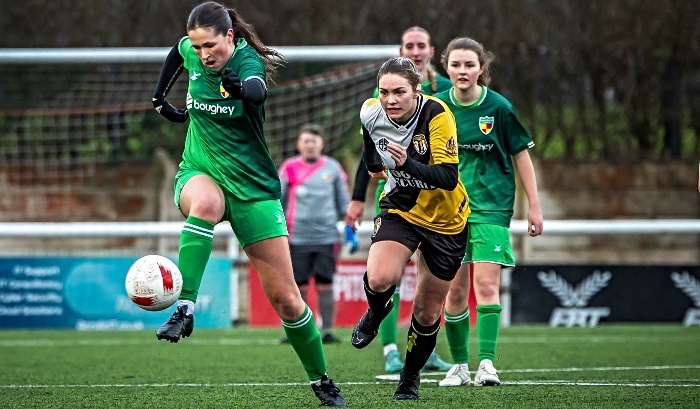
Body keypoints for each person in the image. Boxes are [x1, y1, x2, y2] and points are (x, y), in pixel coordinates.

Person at [149, 2, 345, 406]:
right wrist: (159, 97)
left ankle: (320, 377)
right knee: (203, 204)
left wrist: (240, 88)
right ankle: (185, 305)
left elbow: (256, 90)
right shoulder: (192, 52)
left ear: (230, 38)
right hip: (200, 170)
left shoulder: (246, 60)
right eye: (199, 46)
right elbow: (176, 50)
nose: (204, 54)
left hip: (254, 188)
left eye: (212, 46)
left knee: (288, 300)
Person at [351, 56, 470, 400]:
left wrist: (408, 163)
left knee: (426, 309)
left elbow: (448, 178)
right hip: (402, 205)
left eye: (400, 92)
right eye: (385, 92)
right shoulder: (371, 111)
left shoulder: (437, 115)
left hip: (447, 220)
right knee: (379, 278)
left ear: (416, 91)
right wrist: (374, 166)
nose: (391, 100)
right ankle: (376, 313)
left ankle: (409, 377)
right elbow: (368, 141)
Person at [434, 37, 544, 388]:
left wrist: (535, 207)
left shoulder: (498, 107)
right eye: (456, 64)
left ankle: (486, 364)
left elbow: (521, 156)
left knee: (486, 284)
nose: (462, 71)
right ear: (446, 68)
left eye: (469, 65)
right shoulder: (435, 108)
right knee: (453, 291)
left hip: (491, 208)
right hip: (448, 211)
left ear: (482, 69)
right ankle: (459, 367)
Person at [278, 124, 350, 344]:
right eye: (306, 141)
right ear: (299, 144)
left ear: (322, 144)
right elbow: (278, 202)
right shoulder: (289, 168)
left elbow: (344, 203)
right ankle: (300, 330)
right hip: (296, 237)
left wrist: (351, 229)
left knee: (325, 283)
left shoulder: (333, 168)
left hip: (327, 238)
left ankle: (327, 330)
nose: (310, 145)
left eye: (314, 141)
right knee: (298, 285)